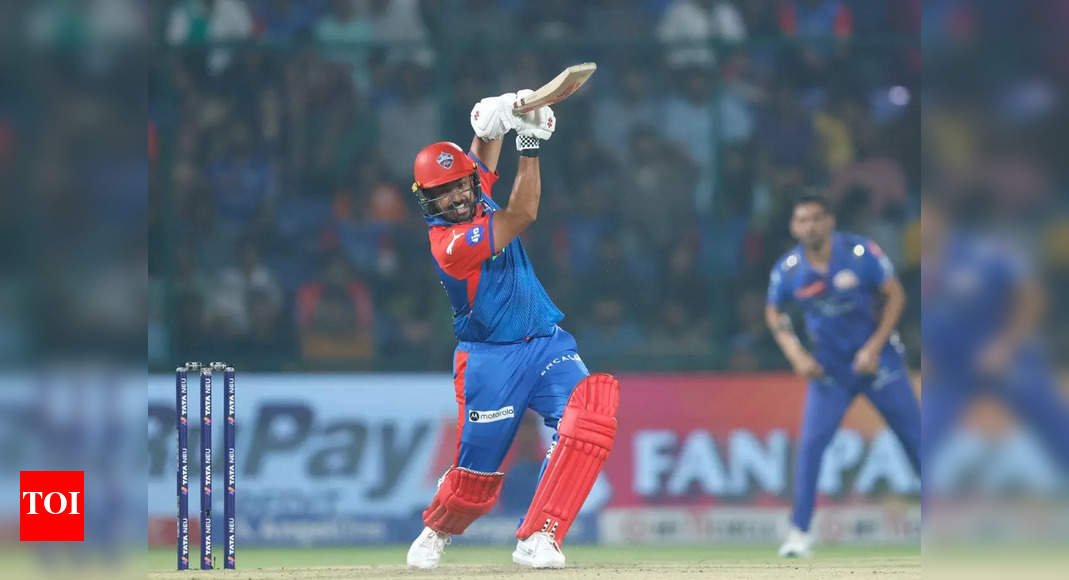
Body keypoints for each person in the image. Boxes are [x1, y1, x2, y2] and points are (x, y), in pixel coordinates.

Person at [404, 90, 620, 570]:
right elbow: (522, 214)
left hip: (546, 344)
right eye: (443, 193)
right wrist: (529, 143)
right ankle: (438, 527)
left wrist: (497, 116)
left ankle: (541, 535)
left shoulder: (473, 189)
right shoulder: (449, 244)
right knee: (474, 483)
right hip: (490, 360)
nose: (458, 197)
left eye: (461, 185)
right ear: (428, 201)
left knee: (591, 415)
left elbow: (482, 149)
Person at [766, 194, 920, 557]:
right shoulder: (789, 269)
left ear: (830, 221)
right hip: (830, 370)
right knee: (811, 446)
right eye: (803, 220)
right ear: (793, 227)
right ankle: (799, 533)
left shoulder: (860, 253)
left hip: (878, 362)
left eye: (817, 218)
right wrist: (795, 354)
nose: (811, 226)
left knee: (916, 440)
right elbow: (773, 312)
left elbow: (896, 296)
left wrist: (874, 347)